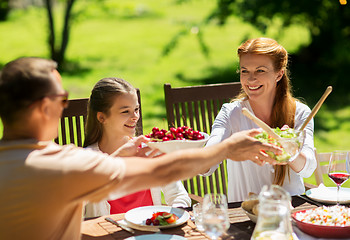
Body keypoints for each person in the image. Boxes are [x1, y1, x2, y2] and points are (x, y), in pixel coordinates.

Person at [0, 57, 281, 240]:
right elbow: (163, 171)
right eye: (62, 100)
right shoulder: (59, 165)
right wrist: (226, 148)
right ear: (42, 108)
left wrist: (118, 159)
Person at [203, 37, 317, 202]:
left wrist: (290, 150)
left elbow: (307, 169)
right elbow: (206, 165)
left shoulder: (300, 112)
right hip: (244, 214)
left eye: (260, 70)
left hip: (290, 211)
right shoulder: (231, 113)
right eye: (244, 71)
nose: (250, 79)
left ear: (279, 74)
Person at [83, 77, 191, 218]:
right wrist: (117, 158)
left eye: (136, 109)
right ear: (102, 117)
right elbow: (71, 204)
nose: (135, 117)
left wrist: (172, 216)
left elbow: (178, 195)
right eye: (125, 111)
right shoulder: (87, 159)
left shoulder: (149, 149)